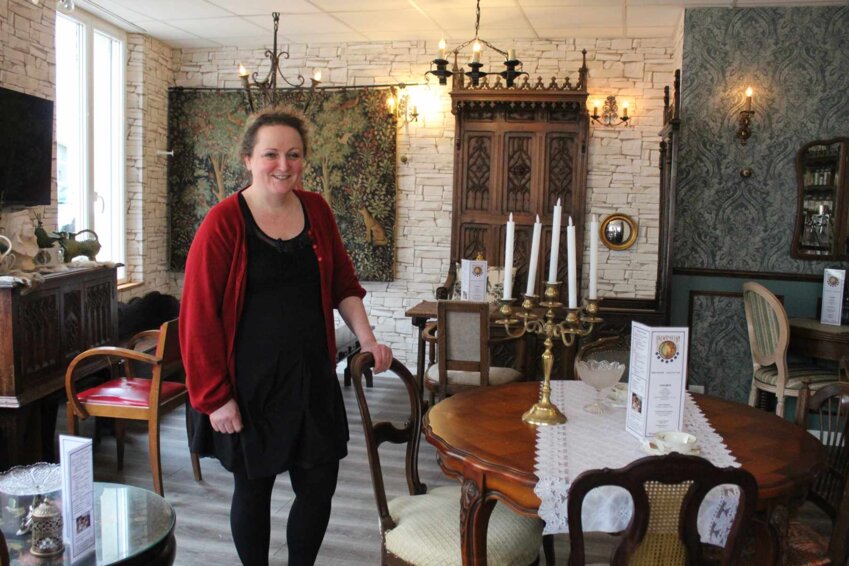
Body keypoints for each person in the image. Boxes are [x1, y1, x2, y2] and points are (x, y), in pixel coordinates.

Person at [179, 106, 392, 566]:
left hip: (311, 379)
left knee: (318, 487)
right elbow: (197, 318)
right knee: (253, 491)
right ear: (248, 159)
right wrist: (215, 398)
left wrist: (368, 340)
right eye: (271, 154)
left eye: (293, 154)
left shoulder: (316, 210)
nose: (283, 164)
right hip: (249, 388)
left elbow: (343, 285)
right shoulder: (223, 222)